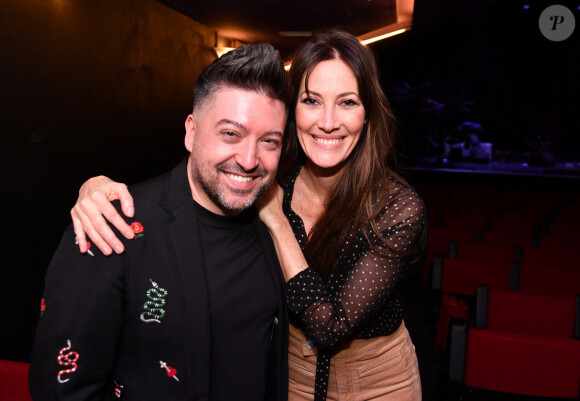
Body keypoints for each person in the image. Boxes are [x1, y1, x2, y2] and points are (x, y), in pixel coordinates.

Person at [71, 30, 426, 400]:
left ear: (368, 112)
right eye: (311, 101)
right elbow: (194, 190)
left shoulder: (396, 205)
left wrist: (277, 220)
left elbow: (329, 326)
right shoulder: (264, 175)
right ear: (292, 112)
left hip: (377, 379)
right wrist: (96, 188)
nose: (328, 121)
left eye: (347, 102)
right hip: (286, 372)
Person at [29, 42, 290, 401]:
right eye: (230, 133)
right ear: (191, 131)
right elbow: (61, 390)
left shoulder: (275, 222)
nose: (249, 160)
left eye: (269, 142)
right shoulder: (112, 227)